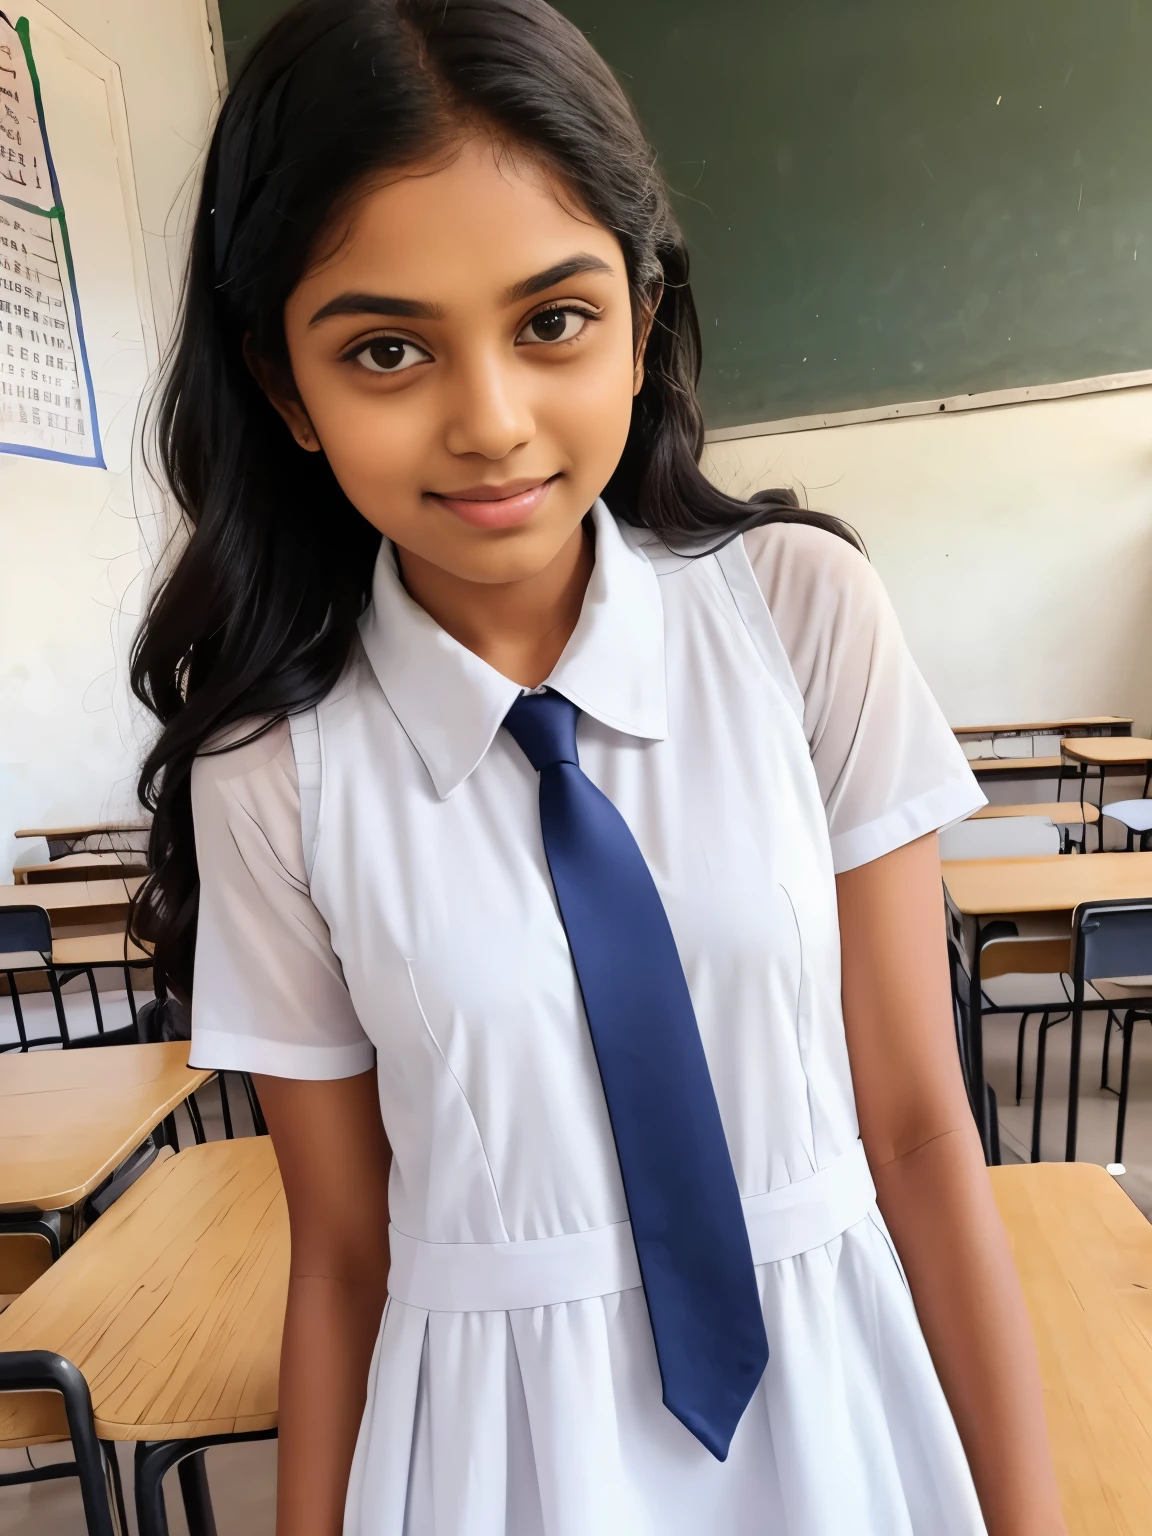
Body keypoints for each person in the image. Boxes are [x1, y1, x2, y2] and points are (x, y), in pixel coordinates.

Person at [131, 2, 1067, 1532]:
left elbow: (912, 1126)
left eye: (552, 321)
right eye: (386, 349)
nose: (489, 422)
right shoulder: (276, 773)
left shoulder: (800, 617)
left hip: (836, 1408)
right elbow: (342, 1260)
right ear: (286, 391)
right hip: (500, 1461)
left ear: (641, 314)